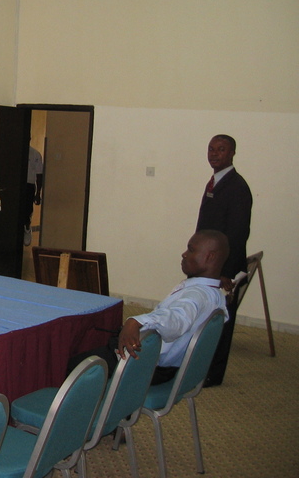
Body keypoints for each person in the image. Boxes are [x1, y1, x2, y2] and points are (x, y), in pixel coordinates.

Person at [67, 230, 229, 385]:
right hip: (170, 366)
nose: (184, 254)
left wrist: (136, 321)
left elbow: (176, 320)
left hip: (147, 364)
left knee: (73, 364)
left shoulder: (195, 295)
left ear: (210, 256)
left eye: (191, 250)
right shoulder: (215, 293)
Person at [196, 134, 252, 387]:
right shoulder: (216, 182)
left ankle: (213, 374)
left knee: (220, 322)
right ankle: (199, 368)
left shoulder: (237, 187)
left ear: (232, 153)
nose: (214, 154)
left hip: (222, 270)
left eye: (221, 149)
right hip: (207, 265)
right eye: (211, 149)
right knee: (204, 318)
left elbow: (238, 234)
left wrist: (225, 272)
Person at [22, 146, 43, 247]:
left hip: (29, 185)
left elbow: (39, 175)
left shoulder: (35, 154)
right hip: (17, 184)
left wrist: (38, 193)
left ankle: (27, 228)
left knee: (27, 209)